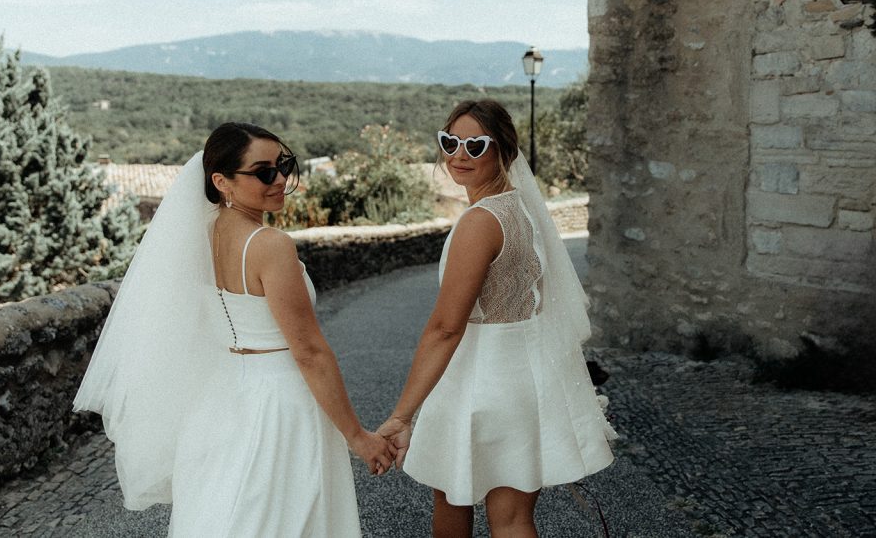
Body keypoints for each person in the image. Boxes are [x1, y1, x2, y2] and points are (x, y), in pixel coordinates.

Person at [74, 122, 394, 537]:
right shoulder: (270, 245)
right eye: (262, 171)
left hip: (221, 396)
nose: (279, 179)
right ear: (221, 181)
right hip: (282, 400)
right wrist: (358, 437)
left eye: (283, 166)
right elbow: (310, 352)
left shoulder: (196, 236)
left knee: (227, 510)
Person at [378, 100, 617, 537]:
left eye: (475, 145)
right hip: (524, 382)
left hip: (477, 381)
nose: (458, 155)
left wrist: (402, 415)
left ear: (503, 150)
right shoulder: (521, 211)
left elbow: (446, 328)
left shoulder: (480, 222)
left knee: (453, 501)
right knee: (512, 519)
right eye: (450, 142)